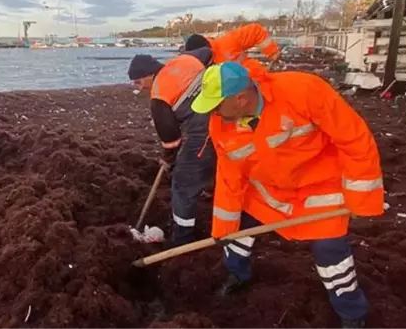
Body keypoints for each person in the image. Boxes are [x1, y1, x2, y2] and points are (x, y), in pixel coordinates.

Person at [190, 62, 384, 329]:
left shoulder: (304, 91)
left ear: (240, 98)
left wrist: (362, 198)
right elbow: (229, 177)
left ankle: (352, 313)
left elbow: (354, 139)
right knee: (237, 231)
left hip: (320, 190)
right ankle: (237, 273)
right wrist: (223, 228)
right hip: (267, 192)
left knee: (331, 253)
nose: (212, 112)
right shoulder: (221, 124)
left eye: (215, 105)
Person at [127, 48, 216, 246]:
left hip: (206, 132)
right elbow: (208, 51)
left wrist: (169, 160)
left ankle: (182, 239)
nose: (140, 87)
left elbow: (171, 140)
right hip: (226, 114)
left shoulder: (159, 97)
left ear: (150, 74)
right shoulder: (185, 59)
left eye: (139, 82)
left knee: (182, 183)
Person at [184, 23, 280, 76]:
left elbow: (255, 31)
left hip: (258, 79)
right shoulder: (198, 67)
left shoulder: (228, 42)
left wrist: (273, 53)